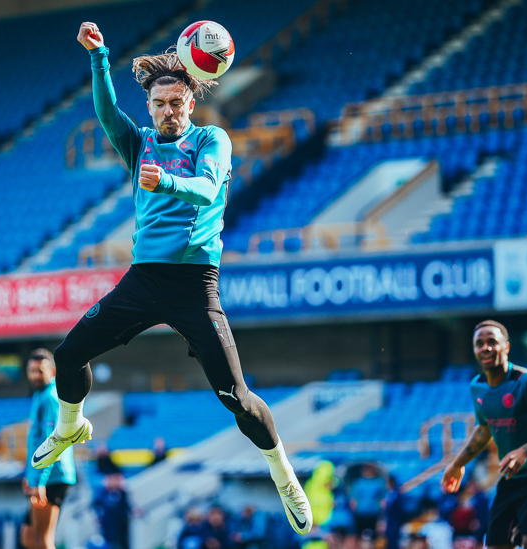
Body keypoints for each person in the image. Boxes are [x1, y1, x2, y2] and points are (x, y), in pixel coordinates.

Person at [32, 21, 312, 535]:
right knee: (68, 356)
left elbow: (208, 191)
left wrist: (168, 181)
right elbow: (105, 115)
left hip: (195, 287)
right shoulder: (137, 144)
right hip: (143, 282)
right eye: (158, 104)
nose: (166, 111)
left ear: (189, 105)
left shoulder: (212, 139)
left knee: (237, 397)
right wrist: (99, 58)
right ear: (151, 108)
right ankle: (70, 426)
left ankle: (282, 470)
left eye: (175, 104)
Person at [442, 320, 527, 549]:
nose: (485, 348)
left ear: (506, 347)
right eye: (479, 344)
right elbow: (484, 430)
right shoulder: (477, 387)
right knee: (496, 544)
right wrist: (457, 464)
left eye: (492, 342)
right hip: (512, 477)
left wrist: (524, 451)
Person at [21, 349, 77, 549]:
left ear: (52, 371)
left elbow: (52, 443)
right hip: (41, 476)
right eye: (31, 370)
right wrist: (30, 476)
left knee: (42, 539)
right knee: (28, 536)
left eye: (40, 370)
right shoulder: (40, 395)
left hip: (52, 476)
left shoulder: (51, 398)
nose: (35, 375)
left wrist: (39, 481)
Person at [93, 474, 132, 549]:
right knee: (109, 542)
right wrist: (98, 517)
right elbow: (97, 506)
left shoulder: (122, 493)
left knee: (122, 542)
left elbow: (127, 506)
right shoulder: (102, 493)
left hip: (121, 523)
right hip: (108, 523)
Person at [348, 464, 385, 539]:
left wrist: (382, 514)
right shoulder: (358, 483)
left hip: (374, 513)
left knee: (374, 536)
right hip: (360, 513)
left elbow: (383, 499)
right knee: (360, 536)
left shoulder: (379, 482)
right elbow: (353, 499)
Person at [382, 476, 405, 549]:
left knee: (394, 541)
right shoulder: (388, 494)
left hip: (395, 522)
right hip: (389, 522)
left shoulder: (397, 494)